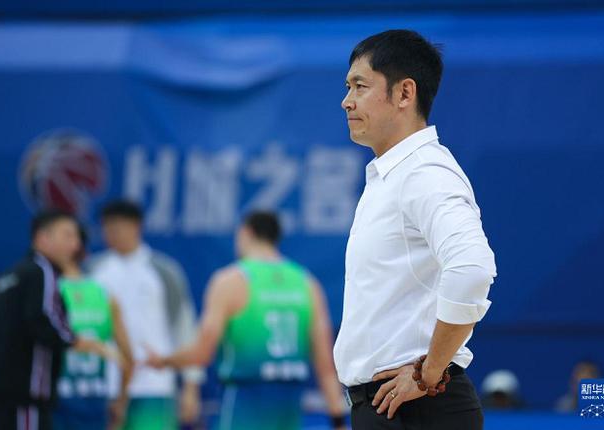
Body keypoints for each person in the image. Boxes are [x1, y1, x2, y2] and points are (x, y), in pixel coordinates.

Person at [333, 30, 497, 429]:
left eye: (360, 86)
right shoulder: (393, 174)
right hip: (393, 407)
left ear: (405, 93)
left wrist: (430, 372)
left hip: (416, 409)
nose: (346, 101)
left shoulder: (425, 172)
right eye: (347, 87)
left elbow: (473, 269)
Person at [145, 211, 347, 430]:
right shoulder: (306, 283)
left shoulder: (230, 281)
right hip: (288, 407)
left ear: (245, 233)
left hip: (245, 403)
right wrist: (338, 420)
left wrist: (164, 361)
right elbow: (325, 365)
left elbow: (202, 353)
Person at [0, 210, 113, 430]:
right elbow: (45, 319)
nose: (75, 245)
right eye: (68, 235)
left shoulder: (10, 275)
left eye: (77, 237)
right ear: (43, 238)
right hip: (26, 398)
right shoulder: (44, 271)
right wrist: (81, 342)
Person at [88, 200, 203, 430]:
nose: (111, 234)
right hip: (104, 387)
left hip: (154, 386)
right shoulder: (92, 271)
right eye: (106, 228)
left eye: (117, 228)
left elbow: (185, 329)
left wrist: (191, 387)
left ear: (136, 226)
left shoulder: (164, 271)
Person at [53, 226, 134, 430]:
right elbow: (128, 358)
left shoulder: (47, 291)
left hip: (55, 402)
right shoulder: (103, 294)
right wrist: (120, 403)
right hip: (94, 402)